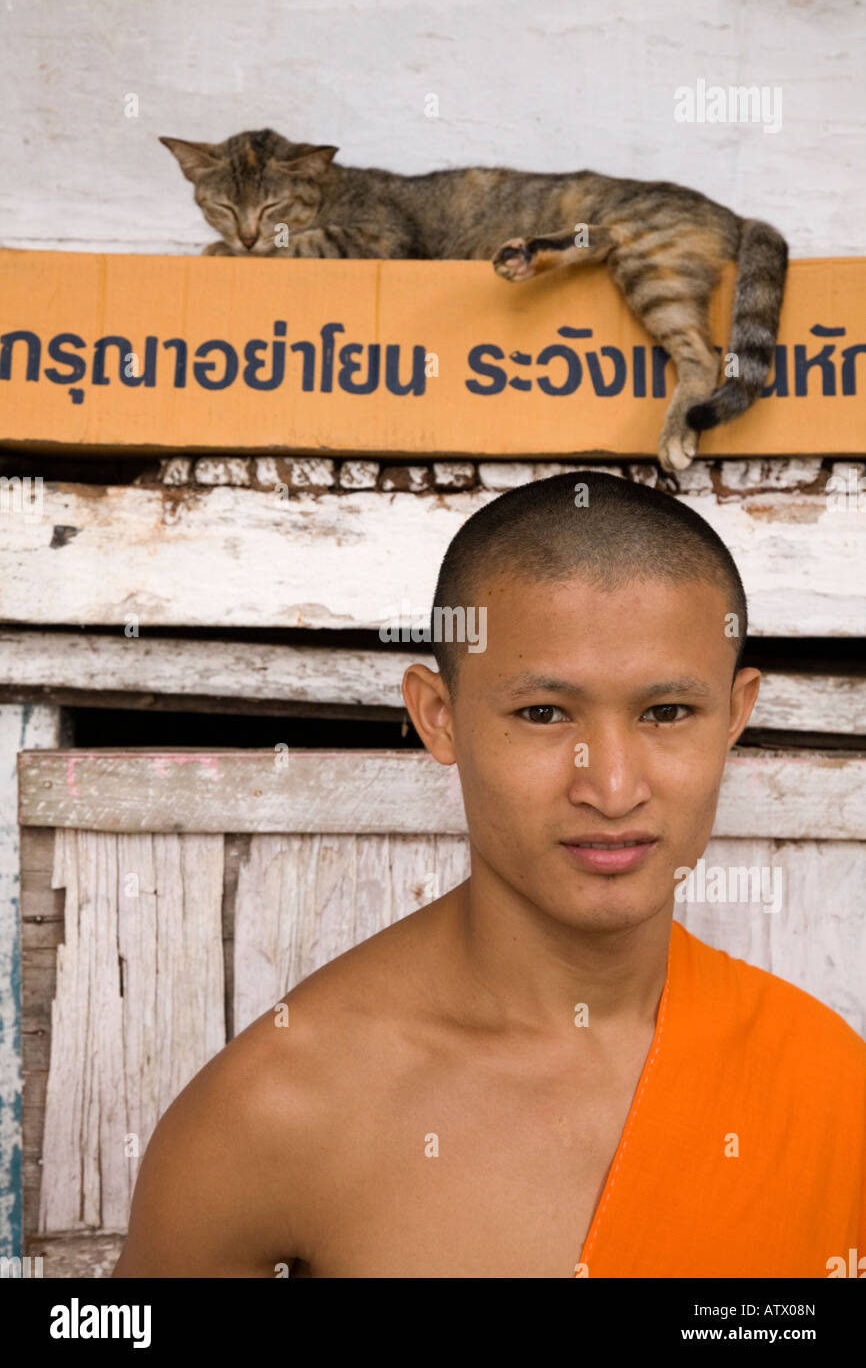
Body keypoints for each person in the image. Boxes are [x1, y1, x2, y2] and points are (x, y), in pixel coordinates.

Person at [113, 470, 865, 1278]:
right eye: (543, 714)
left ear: (736, 715)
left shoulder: (829, 1086)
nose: (611, 787)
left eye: (667, 713)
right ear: (439, 717)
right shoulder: (280, 1108)